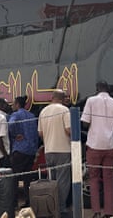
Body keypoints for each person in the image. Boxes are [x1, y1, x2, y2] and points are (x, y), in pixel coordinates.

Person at [81, 81, 113, 218]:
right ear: (109, 90)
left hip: (94, 146)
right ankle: (109, 212)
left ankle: (96, 211)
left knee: (93, 179)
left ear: (97, 89)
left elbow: (85, 123)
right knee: (109, 179)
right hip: (110, 146)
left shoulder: (91, 101)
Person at [38, 89, 71, 218]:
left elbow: (40, 133)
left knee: (52, 180)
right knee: (63, 181)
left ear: (52, 98)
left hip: (48, 151)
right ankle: (61, 209)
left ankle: (51, 208)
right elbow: (69, 130)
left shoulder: (43, 111)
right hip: (62, 150)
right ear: (62, 99)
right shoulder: (64, 110)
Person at [9, 95, 39, 209]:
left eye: (13, 104)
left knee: (15, 178)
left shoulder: (16, 114)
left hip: (20, 150)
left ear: (17, 104)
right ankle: (28, 202)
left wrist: (15, 134)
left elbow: (11, 124)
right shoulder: (31, 115)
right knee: (27, 178)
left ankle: (14, 203)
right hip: (31, 150)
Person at [0, 98, 11, 168]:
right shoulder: (1, 118)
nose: (9, 106)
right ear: (2, 106)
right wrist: (5, 155)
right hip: (1, 155)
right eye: (7, 104)